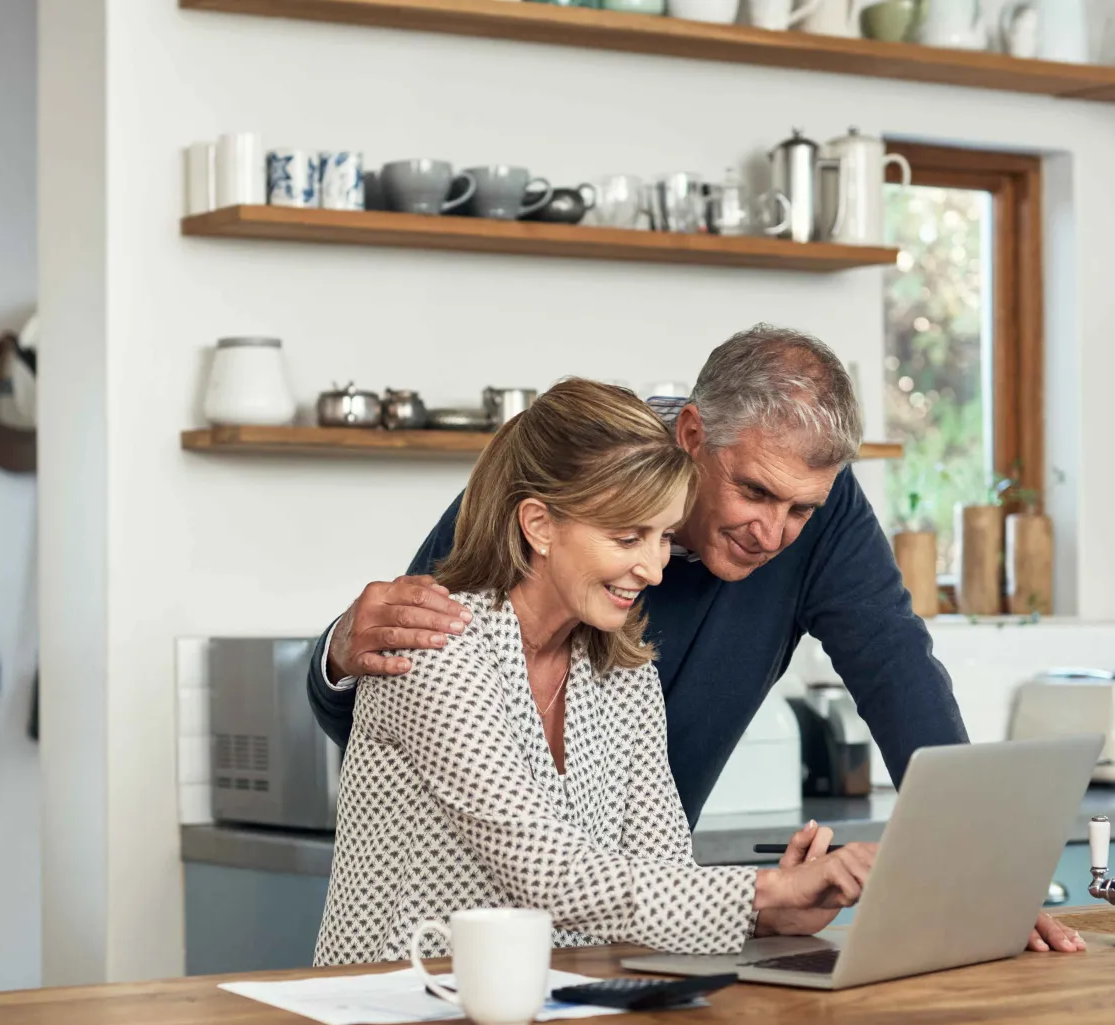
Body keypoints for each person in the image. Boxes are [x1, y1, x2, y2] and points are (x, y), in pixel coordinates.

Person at [309, 325, 1084, 955]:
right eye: (753, 491)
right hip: (406, 982)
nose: (774, 533)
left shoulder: (625, 662)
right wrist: (343, 652)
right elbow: (403, 664)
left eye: (800, 509)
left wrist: (981, 880)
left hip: (577, 973)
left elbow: (895, 667)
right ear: (691, 436)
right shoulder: (553, 489)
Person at [314, 380, 875, 965]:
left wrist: (768, 917)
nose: (654, 570)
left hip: (551, 1014)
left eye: (662, 537)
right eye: (627, 536)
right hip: (394, 1011)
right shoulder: (439, 650)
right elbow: (549, 874)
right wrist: (767, 889)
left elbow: (659, 879)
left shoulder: (622, 671)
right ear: (539, 525)